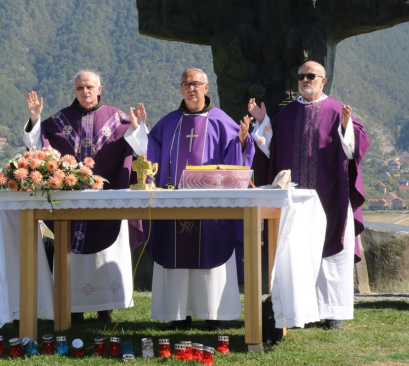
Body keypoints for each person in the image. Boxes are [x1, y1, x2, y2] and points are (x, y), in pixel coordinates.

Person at [125, 68, 255, 329]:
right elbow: (151, 154)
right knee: (176, 257)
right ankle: (177, 314)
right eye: (186, 84)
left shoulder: (222, 121)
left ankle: (213, 315)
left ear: (206, 88)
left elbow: (236, 162)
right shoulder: (169, 122)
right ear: (181, 88)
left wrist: (241, 143)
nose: (191, 88)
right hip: (175, 206)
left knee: (211, 258)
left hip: (210, 208)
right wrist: (140, 132)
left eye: (196, 83)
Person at [248, 61, 369, 329]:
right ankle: (297, 312)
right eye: (301, 76)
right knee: (296, 253)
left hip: (331, 196)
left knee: (331, 255)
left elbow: (355, 148)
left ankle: (332, 312)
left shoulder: (337, 110)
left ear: (323, 81)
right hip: (297, 199)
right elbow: (271, 147)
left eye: (311, 76)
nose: (305, 80)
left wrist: (346, 128)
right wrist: (262, 122)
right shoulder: (288, 113)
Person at [23, 70, 142, 323]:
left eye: (89, 87)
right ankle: (72, 308)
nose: (85, 91)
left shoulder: (120, 119)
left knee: (105, 256)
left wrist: (138, 128)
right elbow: (36, 146)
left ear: (100, 88)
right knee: (72, 260)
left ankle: (105, 310)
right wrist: (34, 119)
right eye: (79, 88)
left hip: (107, 205)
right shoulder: (57, 122)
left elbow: (141, 148)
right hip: (71, 206)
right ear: (74, 91)